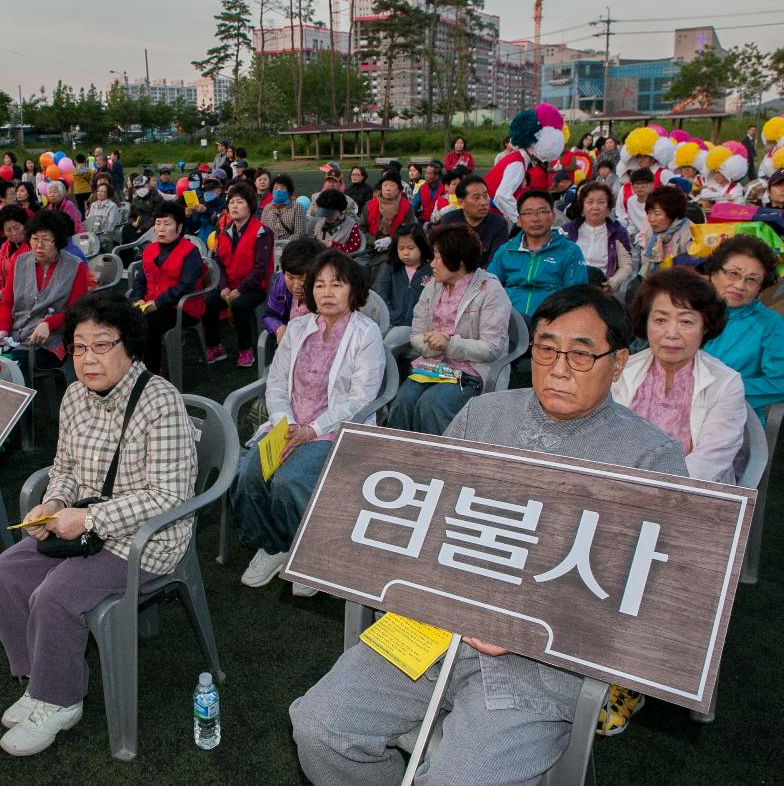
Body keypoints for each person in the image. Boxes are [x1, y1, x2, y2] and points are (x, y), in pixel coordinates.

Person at [292, 285, 688, 786]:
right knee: (318, 726)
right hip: (429, 626)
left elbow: (643, 603)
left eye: (582, 354)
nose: (560, 367)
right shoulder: (484, 414)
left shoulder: (650, 458)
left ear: (618, 363)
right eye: (546, 348)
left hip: (541, 665)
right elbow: (427, 521)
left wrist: (527, 626)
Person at [0, 293, 197, 757]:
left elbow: (169, 497)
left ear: (130, 347)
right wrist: (54, 501)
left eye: (101, 345)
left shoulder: (160, 401)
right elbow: (63, 465)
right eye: (79, 347)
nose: (87, 358)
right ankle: (38, 680)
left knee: (55, 595)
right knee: (4, 573)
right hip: (82, 524)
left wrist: (87, 516)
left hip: (148, 538)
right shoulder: (75, 394)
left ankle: (62, 701)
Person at [232, 249, 386, 595]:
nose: (327, 292)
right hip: (288, 426)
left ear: (354, 289)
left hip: (333, 432)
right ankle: (275, 546)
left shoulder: (366, 332)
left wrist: (311, 430)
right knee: (248, 475)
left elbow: (361, 398)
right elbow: (276, 382)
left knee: (289, 481)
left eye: (336, 284)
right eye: (319, 285)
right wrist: (283, 423)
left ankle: (310, 554)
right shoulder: (299, 328)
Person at [613, 268, 745, 483]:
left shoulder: (726, 383)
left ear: (705, 327)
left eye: (686, 322)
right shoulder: (622, 371)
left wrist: (657, 492)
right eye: (660, 320)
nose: (671, 333)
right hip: (622, 485)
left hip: (693, 492)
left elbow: (711, 460)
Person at [387, 224, 511, 434]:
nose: (432, 263)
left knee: (433, 404)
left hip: (471, 372)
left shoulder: (490, 290)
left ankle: (441, 462)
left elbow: (492, 347)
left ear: (459, 260)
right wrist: (432, 345)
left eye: (437, 257)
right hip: (432, 367)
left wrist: (449, 343)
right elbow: (417, 334)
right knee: (402, 402)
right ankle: (397, 460)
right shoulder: (433, 286)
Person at [702, 236, 784, 422]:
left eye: (752, 280)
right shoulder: (690, 310)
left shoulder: (769, 324)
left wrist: (721, 392)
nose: (740, 285)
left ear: (760, 288)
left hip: (732, 418)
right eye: (733, 274)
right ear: (714, 274)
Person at [0, 210, 90, 375]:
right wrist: (3, 330)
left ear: (58, 241)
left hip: (54, 338)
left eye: (45, 240)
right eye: (34, 239)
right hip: (17, 335)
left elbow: (76, 311)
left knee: (14, 368)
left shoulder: (75, 267)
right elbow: (7, 302)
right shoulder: (20, 262)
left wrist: (49, 323)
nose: (39, 245)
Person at [128, 202, 207, 375]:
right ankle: (132, 368)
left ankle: (152, 374)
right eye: (158, 223)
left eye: (167, 224)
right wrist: (137, 299)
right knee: (123, 317)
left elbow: (185, 287)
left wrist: (157, 303)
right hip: (151, 305)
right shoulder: (149, 250)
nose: (161, 229)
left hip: (182, 308)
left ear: (179, 228)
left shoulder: (190, 252)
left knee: (148, 324)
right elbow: (140, 280)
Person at [202, 183, 273, 369]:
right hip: (230, 286)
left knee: (240, 305)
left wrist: (240, 290)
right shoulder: (225, 231)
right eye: (231, 202)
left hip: (256, 287)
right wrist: (223, 286)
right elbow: (218, 262)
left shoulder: (262, 232)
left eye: (239, 202)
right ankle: (215, 346)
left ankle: (246, 350)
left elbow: (260, 269)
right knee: (207, 303)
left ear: (249, 206)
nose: (234, 206)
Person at [488, 190, 588, 320]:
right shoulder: (506, 250)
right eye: (528, 213)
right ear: (519, 220)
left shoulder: (570, 251)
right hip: (508, 323)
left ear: (552, 217)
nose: (535, 219)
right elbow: (489, 288)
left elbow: (576, 296)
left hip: (551, 323)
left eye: (542, 212)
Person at [562, 180, 633, 294]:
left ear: (609, 207)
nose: (595, 207)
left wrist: (612, 283)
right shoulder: (568, 230)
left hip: (601, 289)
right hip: (570, 288)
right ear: (582, 206)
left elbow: (626, 266)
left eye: (601, 202)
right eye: (590, 202)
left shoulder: (618, 233)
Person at [263, 236, 326, 350]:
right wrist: (279, 327)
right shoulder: (279, 284)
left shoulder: (329, 294)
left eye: (303, 279)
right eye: (290, 277)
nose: (296, 286)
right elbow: (270, 315)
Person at [374, 223, 432, 337]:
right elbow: (382, 294)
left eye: (411, 248)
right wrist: (391, 315)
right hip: (392, 325)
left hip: (421, 328)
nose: (405, 253)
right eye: (401, 248)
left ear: (422, 246)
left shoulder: (430, 271)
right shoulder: (391, 268)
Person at [438, 174, 510, 266]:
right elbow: (445, 257)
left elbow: (496, 262)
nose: (483, 202)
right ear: (461, 202)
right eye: (476, 197)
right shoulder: (450, 220)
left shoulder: (498, 224)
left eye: (485, 196)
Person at [634, 185, 693, 276]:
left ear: (673, 214)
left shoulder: (691, 233)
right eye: (649, 213)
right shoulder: (651, 232)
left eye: (657, 214)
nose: (651, 219)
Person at [260, 173, 307, 259]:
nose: (278, 191)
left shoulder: (297, 207)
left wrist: (281, 246)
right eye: (275, 188)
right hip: (269, 252)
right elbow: (262, 230)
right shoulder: (267, 207)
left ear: (289, 191)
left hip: (291, 252)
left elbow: (299, 233)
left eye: (282, 188)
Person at [0, 205, 31, 300]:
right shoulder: (5, 246)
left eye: (16, 228)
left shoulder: (31, 246)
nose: (14, 233)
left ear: (24, 225)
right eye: (8, 230)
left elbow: (25, 279)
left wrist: (3, 294)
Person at [311, 188, 362, 254]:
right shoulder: (319, 225)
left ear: (340, 210)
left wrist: (332, 245)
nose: (326, 218)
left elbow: (354, 248)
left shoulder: (351, 225)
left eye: (330, 214)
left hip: (340, 260)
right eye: (324, 214)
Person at [615, 167, 654, 239]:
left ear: (651, 185)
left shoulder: (656, 201)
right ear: (632, 185)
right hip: (639, 238)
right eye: (636, 183)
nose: (639, 186)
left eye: (643, 183)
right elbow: (633, 224)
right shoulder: (631, 201)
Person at [84, 179, 122, 245]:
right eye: (98, 191)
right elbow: (89, 221)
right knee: (82, 242)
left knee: (90, 243)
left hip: (108, 236)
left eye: (103, 191)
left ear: (108, 193)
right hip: (95, 234)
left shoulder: (112, 206)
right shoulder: (94, 205)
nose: (99, 193)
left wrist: (97, 233)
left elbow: (110, 226)